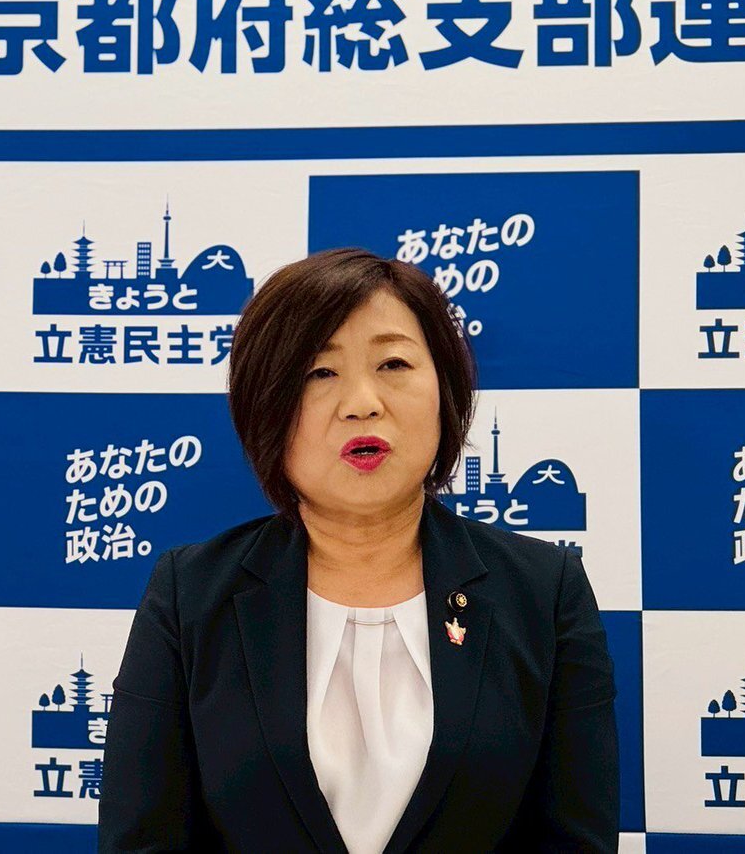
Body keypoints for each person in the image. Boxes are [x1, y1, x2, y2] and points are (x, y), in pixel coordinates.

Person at [97, 247, 619, 853]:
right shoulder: (190, 594)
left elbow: (575, 840)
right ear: (266, 405)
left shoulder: (543, 589)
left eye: (394, 363)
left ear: (444, 391)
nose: (362, 402)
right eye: (320, 372)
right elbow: (143, 840)